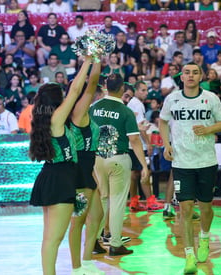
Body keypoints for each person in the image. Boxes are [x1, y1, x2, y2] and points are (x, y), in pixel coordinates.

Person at [159, 62, 221, 274]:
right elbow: (162, 122)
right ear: (181, 77)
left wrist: (208, 129)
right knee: (185, 209)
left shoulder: (211, 98)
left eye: (195, 72)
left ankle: (205, 238)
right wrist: (166, 144)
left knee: (206, 208)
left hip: (206, 162)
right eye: (187, 72)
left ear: (201, 77)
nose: (190, 76)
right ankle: (189, 255)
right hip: (182, 163)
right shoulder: (172, 99)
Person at [29, 56, 92, 275]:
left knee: (50, 238)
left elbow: (74, 93)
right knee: (54, 239)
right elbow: (75, 90)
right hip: (60, 178)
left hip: (52, 175)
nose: (67, 98)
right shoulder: (56, 119)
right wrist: (88, 61)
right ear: (57, 101)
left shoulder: (46, 120)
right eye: (62, 97)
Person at [90, 73, 148, 256]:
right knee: (117, 202)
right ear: (122, 89)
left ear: (106, 86)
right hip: (118, 158)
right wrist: (144, 165)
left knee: (101, 200)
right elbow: (135, 140)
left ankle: (93, 241)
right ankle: (115, 244)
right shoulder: (125, 111)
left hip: (98, 158)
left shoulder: (94, 107)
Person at [68, 61, 104, 275]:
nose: (94, 94)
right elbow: (92, 84)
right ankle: (76, 267)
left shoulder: (85, 112)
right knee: (78, 221)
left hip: (87, 170)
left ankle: (88, 261)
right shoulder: (78, 112)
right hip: (78, 174)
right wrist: (95, 59)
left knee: (98, 216)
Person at [127, 81, 163, 211]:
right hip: (137, 143)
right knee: (144, 170)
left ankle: (134, 201)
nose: (146, 93)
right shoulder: (137, 104)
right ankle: (150, 201)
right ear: (136, 91)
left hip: (130, 144)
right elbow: (140, 128)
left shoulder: (132, 103)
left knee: (134, 173)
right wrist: (148, 143)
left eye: (146, 90)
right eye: (142, 90)